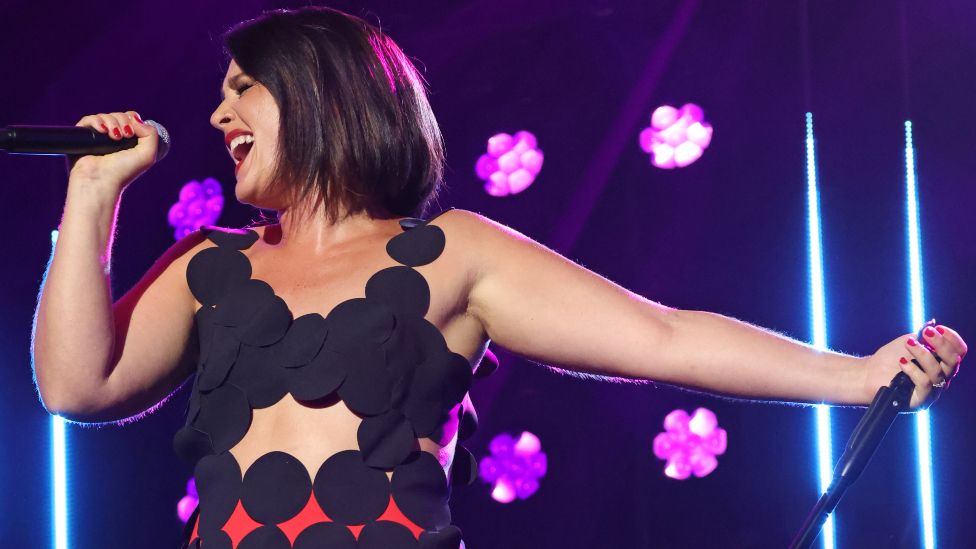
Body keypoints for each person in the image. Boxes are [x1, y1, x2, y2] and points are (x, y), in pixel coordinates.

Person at [30, 6, 965, 549]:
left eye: (243, 87)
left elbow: (662, 336)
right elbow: (78, 384)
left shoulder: (453, 254)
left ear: (319, 93)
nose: (217, 109)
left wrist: (858, 373)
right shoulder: (209, 267)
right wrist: (92, 194)